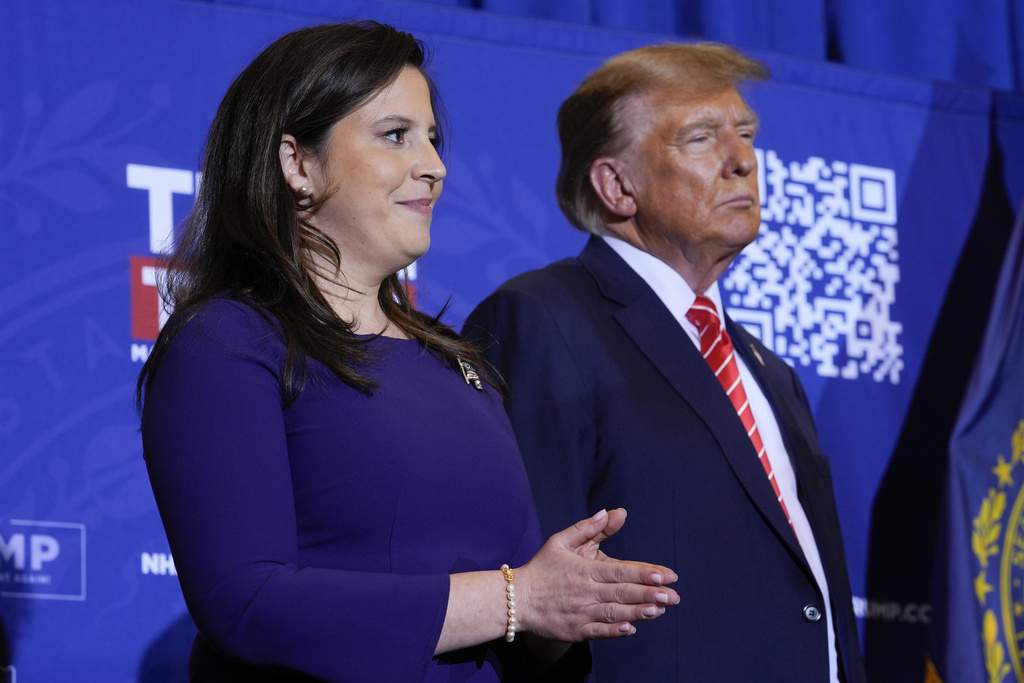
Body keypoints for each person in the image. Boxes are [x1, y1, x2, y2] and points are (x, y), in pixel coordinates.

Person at [137, 22, 680, 682]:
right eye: (396, 136)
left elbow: (524, 620)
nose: (435, 166)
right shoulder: (227, 342)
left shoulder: (462, 367)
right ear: (296, 164)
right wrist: (516, 598)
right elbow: (247, 602)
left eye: (433, 139)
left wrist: (574, 601)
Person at [464, 43, 867, 682]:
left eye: (746, 134)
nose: (743, 161)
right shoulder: (543, 318)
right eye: (702, 139)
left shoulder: (767, 370)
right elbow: (532, 599)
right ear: (618, 185)